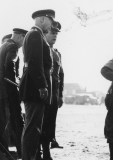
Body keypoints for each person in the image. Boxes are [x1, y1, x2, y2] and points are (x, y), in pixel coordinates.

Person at [19, 9, 55, 160]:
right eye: (50, 21)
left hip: (34, 88)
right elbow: (35, 63)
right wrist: (42, 86)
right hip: (35, 89)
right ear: (42, 19)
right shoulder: (35, 34)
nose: (51, 25)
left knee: (33, 127)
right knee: (32, 128)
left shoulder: (36, 34)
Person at [0, 28, 27, 159]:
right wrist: (17, 85)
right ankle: (22, 153)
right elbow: (10, 67)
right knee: (18, 122)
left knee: (3, 122)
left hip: (2, 91)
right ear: (21, 37)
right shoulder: (13, 47)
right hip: (8, 91)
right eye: (24, 40)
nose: (23, 45)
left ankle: (4, 152)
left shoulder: (3, 45)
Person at [40, 21, 64, 160]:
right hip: (43, 91)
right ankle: (39, 152)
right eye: (52, 33)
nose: (55, 35)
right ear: (45, 33)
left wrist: (60, 94)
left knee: (50, 122)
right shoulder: (41, 49)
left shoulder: (57, 53)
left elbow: (61, 74)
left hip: (54, 92)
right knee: (41, 121)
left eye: (56, 34)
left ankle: (47, 151)